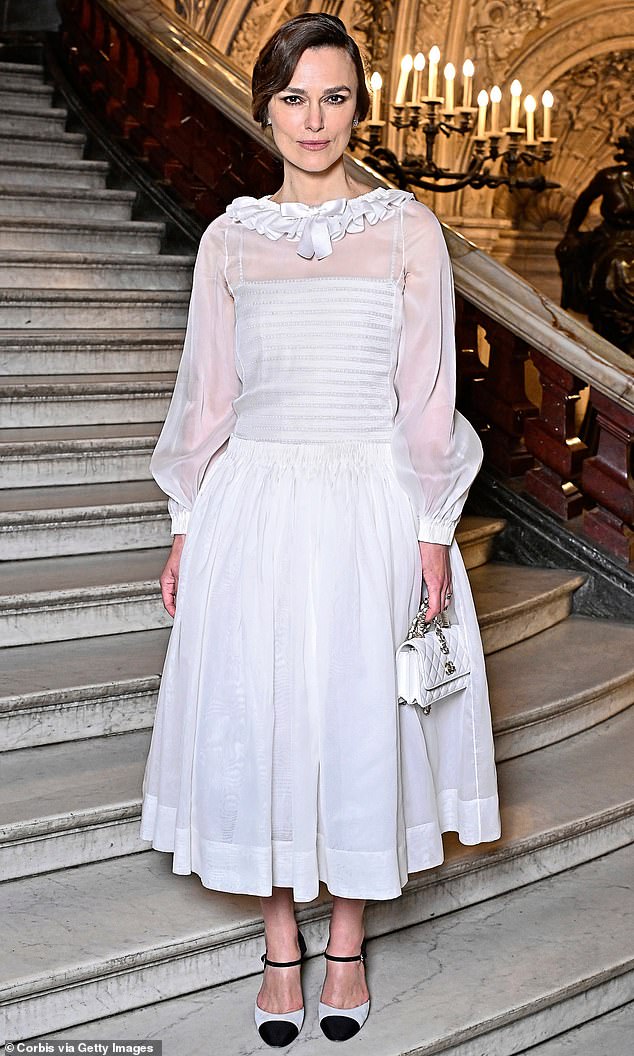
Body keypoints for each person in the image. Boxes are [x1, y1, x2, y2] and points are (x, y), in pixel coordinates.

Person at [139, 12, 501, 1047]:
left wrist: (432, 528)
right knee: (262, 712)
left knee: (356, 714)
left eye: (335, 97)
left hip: (371, 503)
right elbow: (206, 395)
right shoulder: (229, 238)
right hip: (251, 503)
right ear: (263, 107)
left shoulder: (406, 227)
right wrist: (184, 521)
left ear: (359, 108)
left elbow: (426, 390)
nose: (314, 118)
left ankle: (344, 937)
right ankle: (279, 943)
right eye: (294, 97)